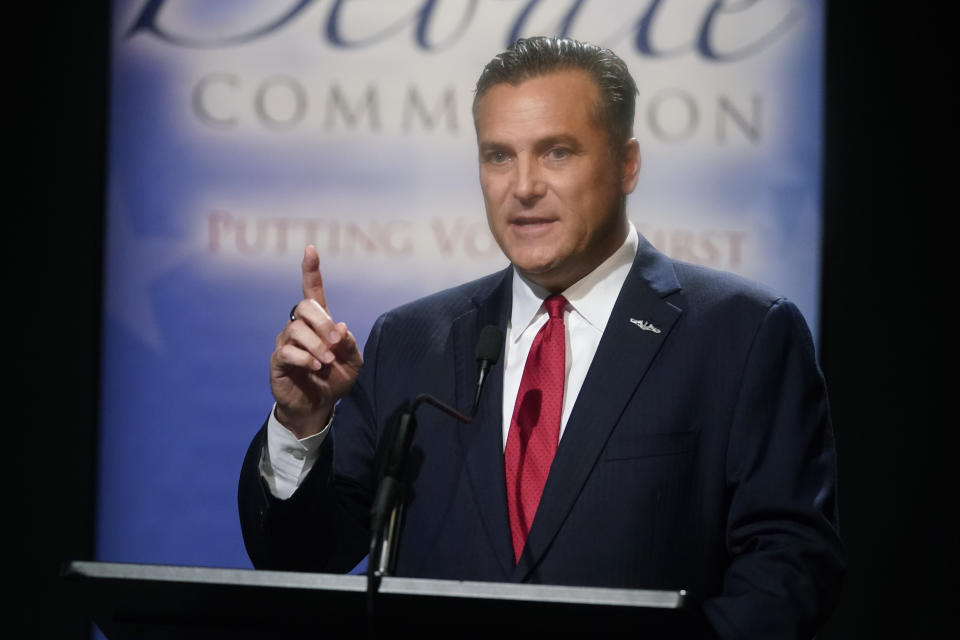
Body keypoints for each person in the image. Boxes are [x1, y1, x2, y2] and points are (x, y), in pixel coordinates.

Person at [238, 37, 844, 639]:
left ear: (627, 163)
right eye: (499, 156)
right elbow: (304, 560)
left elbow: (790, 570)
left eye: (556, 152)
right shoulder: (410, 341)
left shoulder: (743, 332)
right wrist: (304, 424)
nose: (523, 186)